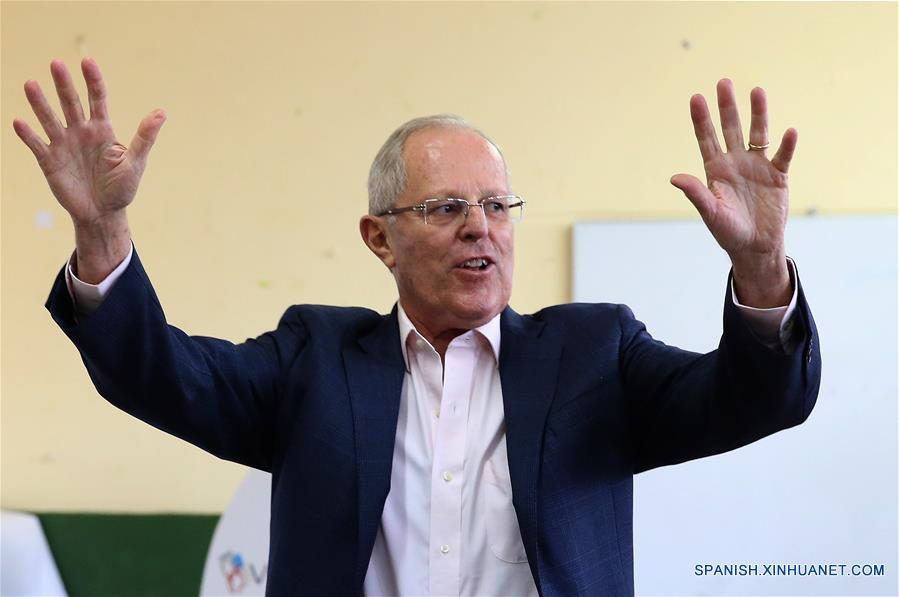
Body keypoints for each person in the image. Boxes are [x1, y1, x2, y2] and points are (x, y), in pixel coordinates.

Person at [16, 58, 820, 596]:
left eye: (497, 205)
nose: (481, 227)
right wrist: (102, 234)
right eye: (445, 207)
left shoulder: (593, 355)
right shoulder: (314, 359)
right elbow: (161, 375)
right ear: (380, 237)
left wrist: (759, 263)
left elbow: (755, 398)